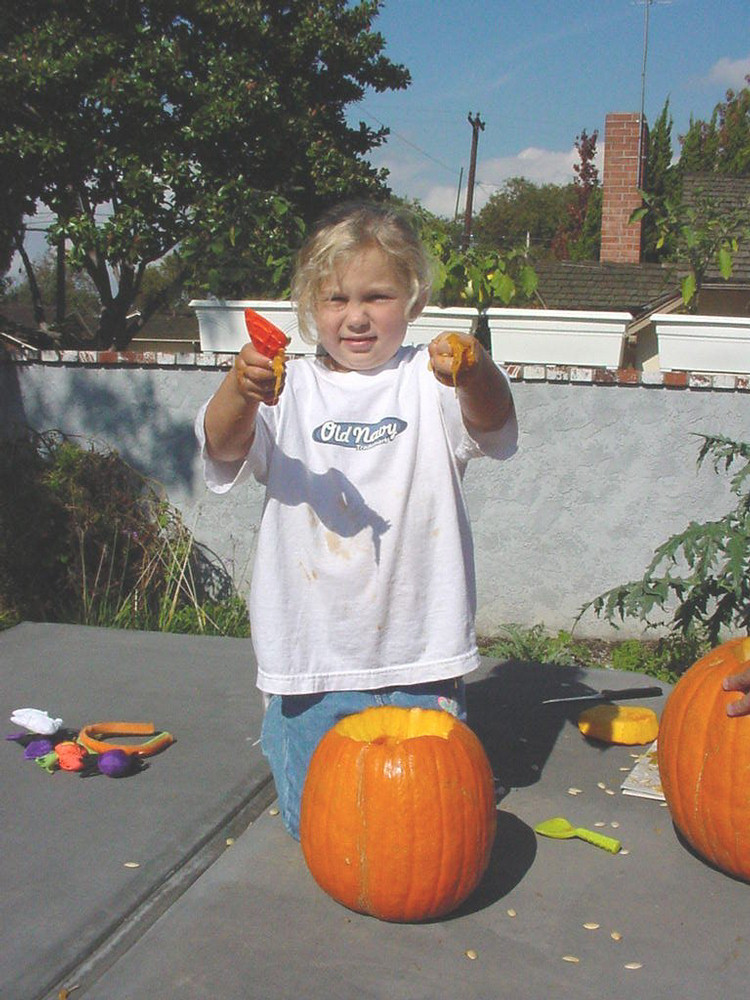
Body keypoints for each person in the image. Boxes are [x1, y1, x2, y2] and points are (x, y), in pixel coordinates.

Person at [195, 201, 518, 839]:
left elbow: (494, 422)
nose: (357, 316)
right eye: (337, 299)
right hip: (310, 658)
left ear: (415, 301)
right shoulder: (289, 388)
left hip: (420, 658)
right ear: (310, 306)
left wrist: (476, 371)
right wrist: (239, 388)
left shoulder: (435, 380)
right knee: (320, 827)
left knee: (422, 833)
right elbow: (223, 447)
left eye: (378, 295)